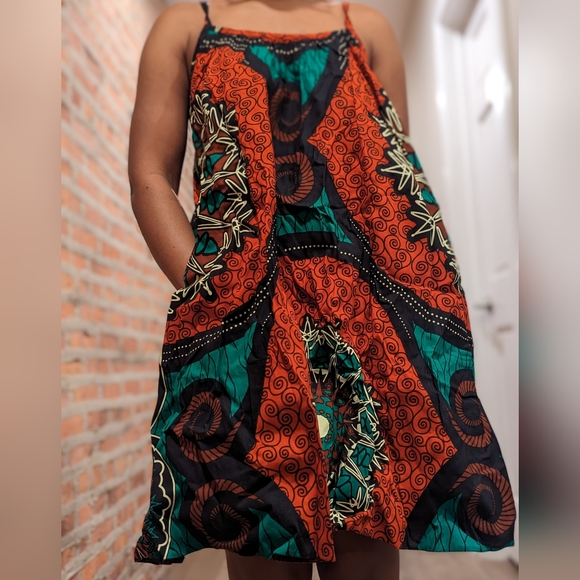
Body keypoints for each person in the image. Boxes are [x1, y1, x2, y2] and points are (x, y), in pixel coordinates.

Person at [128, 2, 516, 579]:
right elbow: (149, 175)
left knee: (367, 546)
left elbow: (393, 181)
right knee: (263, 540)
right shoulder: (188, 27)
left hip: (366, 324)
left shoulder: (368, 30)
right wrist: (215, 291)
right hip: (247, 330)